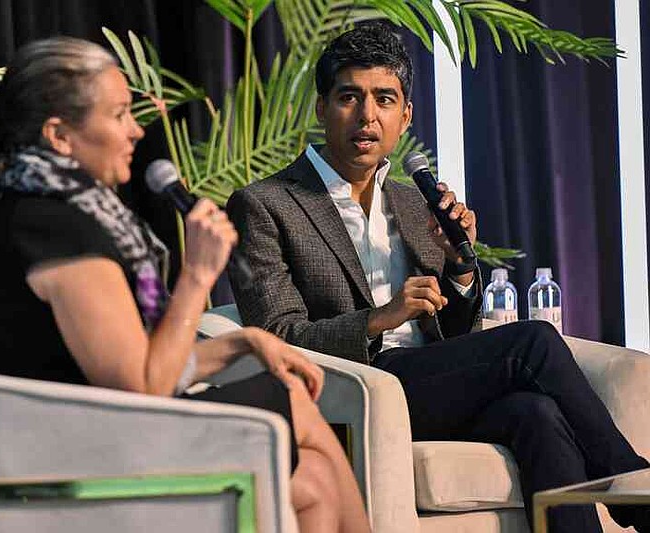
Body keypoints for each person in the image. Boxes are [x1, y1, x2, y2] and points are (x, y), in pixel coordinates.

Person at [227, 22, 649, 533]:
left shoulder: (410, 200)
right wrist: (380, 319)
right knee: (533, 342)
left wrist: (459, 271)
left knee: (535, 413)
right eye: (349, 97)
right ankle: (637, 494)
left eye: (384, 99)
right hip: (355, 391)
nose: (366, 115)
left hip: (429, 384)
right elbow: (277, 338)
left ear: (404, 116)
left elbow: (453, 332)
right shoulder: (265, 204)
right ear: (322, 108)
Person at [0, 36, 370, 533]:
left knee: (315, 484)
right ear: (60, 135)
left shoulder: (44, 213)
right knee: (294, 401)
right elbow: (144, 386)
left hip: (86, 430)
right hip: (61, 456)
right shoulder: (52, 230)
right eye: (119, 114)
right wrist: (196, 277)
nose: (135, 130)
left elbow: (143, 365)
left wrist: (245, 341)